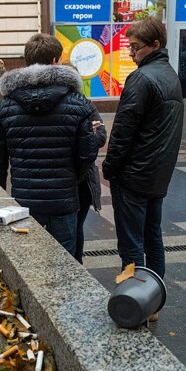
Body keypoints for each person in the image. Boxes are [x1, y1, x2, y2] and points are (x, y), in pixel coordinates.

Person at [0, 33, 99, 257]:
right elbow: (88, 154)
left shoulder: (8, 106)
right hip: (64, 201)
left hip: (25, 200)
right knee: (66, 264)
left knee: (30, 261)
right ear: (57, 61)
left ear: (27, 61)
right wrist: (70, 177)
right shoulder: (77, 102)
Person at [101, 16, 183, 311]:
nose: (131, 53)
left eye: (135, 47)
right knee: (153, 237)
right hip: (157, 175)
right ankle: (154, 300)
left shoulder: (141, 78)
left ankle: (133, 301)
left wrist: (109, 167)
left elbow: (123, 130)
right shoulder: (170, 75)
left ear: (155, 45)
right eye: (129, 47)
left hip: (134, 175)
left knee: (132, 243)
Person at [75, 101, 108, 263]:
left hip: (84, 181)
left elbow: (101, 137)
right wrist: (88, 130)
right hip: (62, 180)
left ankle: (77, 264)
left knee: (77, 225)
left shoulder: (86, 105)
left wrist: (85, 133)